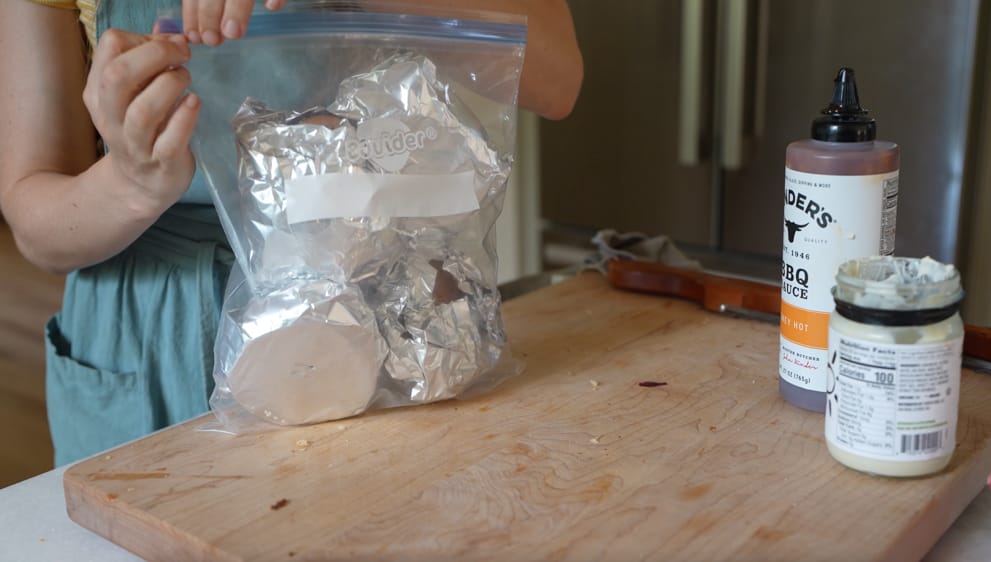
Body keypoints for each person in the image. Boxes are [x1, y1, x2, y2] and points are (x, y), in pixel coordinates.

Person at [0, 0, 583, 466]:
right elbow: (37, 228)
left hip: (389, 312)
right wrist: (130, 183)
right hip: (148, 335)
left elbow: (557, 76)